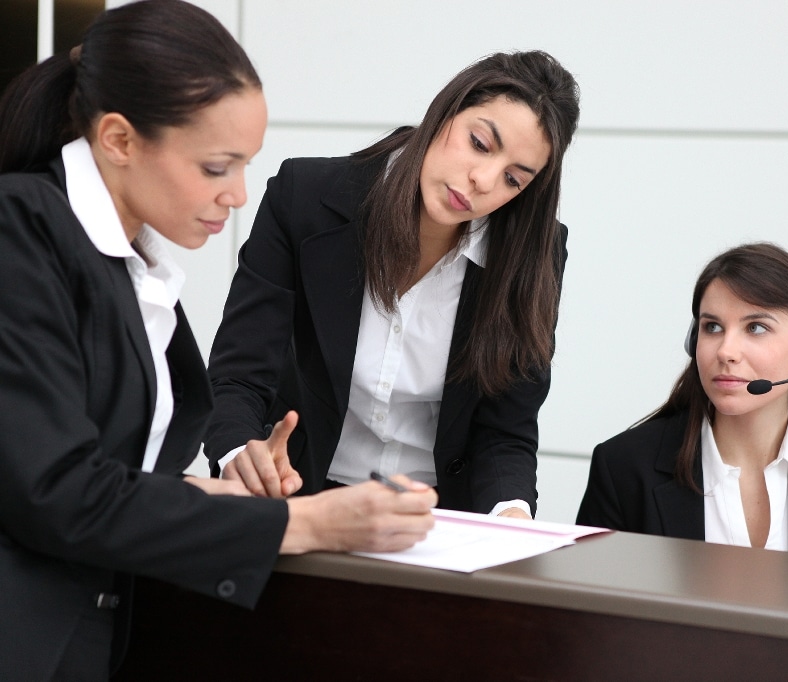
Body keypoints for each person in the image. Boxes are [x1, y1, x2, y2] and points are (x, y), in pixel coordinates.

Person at [0, 2, 435, 678]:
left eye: (245, 166)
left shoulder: (128, 265)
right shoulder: (20, 233)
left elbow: (115, 478)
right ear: (118, 139)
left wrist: (217, 498)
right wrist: (310, 525)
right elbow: (56, 491)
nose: (237, 195)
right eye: (215, 167)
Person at [204, 50, 581, 520]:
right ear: (446, 112)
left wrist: (511, 515)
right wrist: (242, 454)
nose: (482, 181)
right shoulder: (305, 198)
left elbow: (506, 431)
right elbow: (239, 373)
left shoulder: (532, 254)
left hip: (437, 518)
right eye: (480, 143)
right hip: (299, 492)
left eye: (512, 179)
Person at [576, 243, 788, 560]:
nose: (726, 351)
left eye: (756, 327)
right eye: (712, 327)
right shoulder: (624, 467)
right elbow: (587, 606)